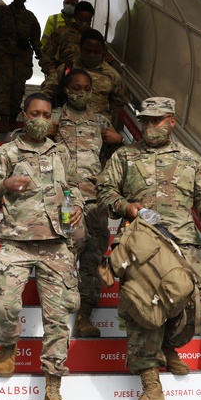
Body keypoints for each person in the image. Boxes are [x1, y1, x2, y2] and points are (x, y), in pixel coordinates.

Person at [95, 97, 201, 400]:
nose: (150, 126)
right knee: (143, 310)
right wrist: (127, 207)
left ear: (171, 121)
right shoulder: (125, 156)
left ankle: (168, 345)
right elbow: (104, 191)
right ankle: (152, 390)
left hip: (183, 243)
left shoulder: (189, 159)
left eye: (157, 120)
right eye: (146, 120)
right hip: (142, 245)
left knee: (196, 306)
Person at [0, 92, 84, 400]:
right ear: (24, 114)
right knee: (4, 303)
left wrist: (76, 205)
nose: (40, 119)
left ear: (52, 119)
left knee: (57, 319)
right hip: (18, 241)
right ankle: (8, 345)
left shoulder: (61, 152)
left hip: (57, 243)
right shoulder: (7, 152)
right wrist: (4, 183)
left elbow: (74, 187)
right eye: (35, 113)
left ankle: (53, 392)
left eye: (46, 114)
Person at [50, 69, 122, 337]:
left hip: (94, 200)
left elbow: (116, 146)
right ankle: (58, 314)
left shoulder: (100, 120)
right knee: (70, 248)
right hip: (67, 199)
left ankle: (84, 316)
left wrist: (118, 138)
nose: (81, 92)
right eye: (75, 87)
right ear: (67, 88)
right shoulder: (54, 116)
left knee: (93, 255)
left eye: (86, 88)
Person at [0, 0, 42, 132]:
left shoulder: (30, 17)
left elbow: (35, 39)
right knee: (3, 85)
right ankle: (3, 118)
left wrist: (40, 54)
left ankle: (13, 118)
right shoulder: (2, 12)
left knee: (17, 88)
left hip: (21, 59)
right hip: (3, 56)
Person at [41, 28, 128, 129]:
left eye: (96, 52)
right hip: (68, 124)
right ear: (81, 49)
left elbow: (119, 101)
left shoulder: (112, 75)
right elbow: (47, 89)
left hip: (98, 127)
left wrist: (101, 111)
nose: (91, 55)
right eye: (88, 51)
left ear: (103, 51)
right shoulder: (68, 68)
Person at [38, 1, 94, 76]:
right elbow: (45, 57)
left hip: (89, 79)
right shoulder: (61, 32)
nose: (84, 23)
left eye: (87, 21)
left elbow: (103, 59)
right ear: (75, 17)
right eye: (81, 20)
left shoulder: (94, 37)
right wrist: (54, 73)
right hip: (64, 75)